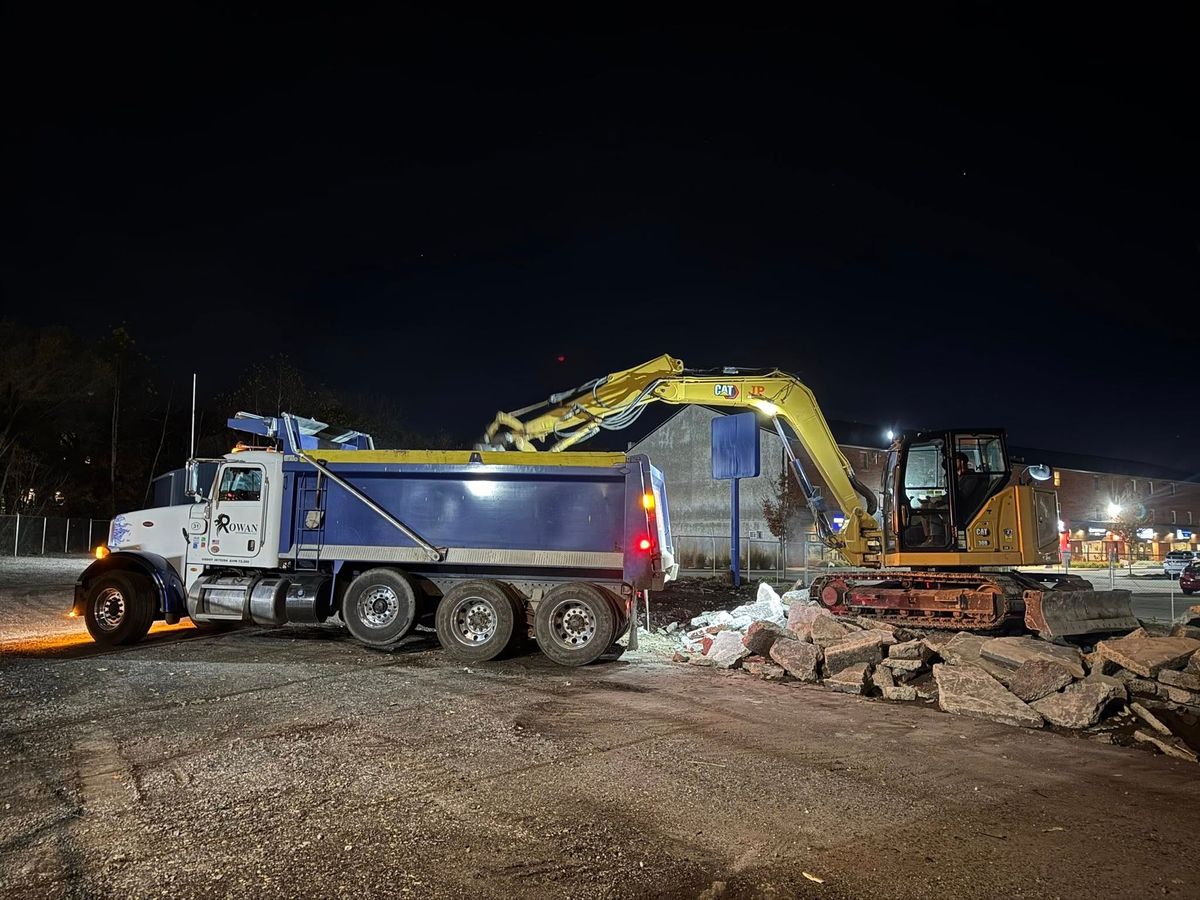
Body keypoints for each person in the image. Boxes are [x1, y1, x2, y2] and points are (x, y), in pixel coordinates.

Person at [954, 451, 987, 524]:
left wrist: (942, 499)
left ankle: (937, 535)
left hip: (966, 511)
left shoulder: (971, 478)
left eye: (954, 460)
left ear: (961, 462)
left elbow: (962, 496)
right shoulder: (959, 477)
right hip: (960, 507)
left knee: (933, 508)